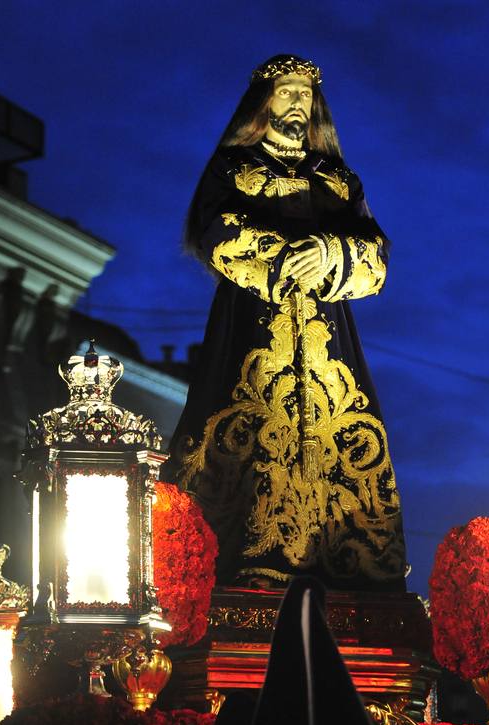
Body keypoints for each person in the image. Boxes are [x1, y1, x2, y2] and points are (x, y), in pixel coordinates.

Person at [164, 54, 406, 591]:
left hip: (328, 344)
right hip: (253, 328)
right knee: (242, 438)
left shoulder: (338, 180)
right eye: (286, 90)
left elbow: (376, 251)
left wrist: (331, 252)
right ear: (263, 101)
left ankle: (350, 567)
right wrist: (285, 255)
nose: (297, 101)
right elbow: (216, 229)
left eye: (305, 93)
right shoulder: (233, 167)